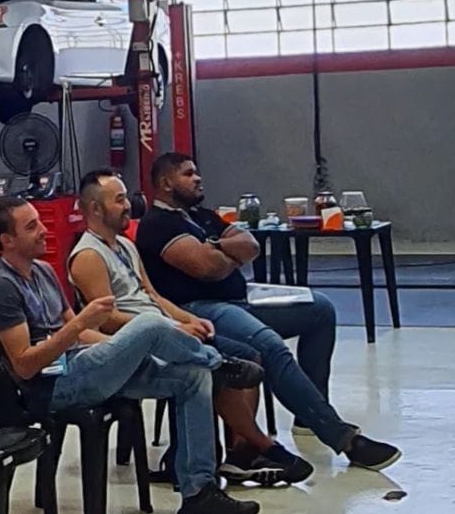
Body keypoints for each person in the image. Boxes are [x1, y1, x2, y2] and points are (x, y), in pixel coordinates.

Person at [0, 194, 263, 514]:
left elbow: (82, 334)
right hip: (51, 386)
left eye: (40, 221)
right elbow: (26, 365)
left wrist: (122, 349)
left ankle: (199, 494)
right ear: (8, 241)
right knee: (150, 324)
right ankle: (219, 364)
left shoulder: (42, 271)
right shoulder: (1, 288)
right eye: (31, 227)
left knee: (192, 375)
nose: (43, 230)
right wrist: (82, 325)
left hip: (84, 363)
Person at [138, 153, 400, 471]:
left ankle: (308, 412)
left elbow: (251, 245)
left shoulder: (200, 216)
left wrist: (217, 248)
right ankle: (344, 439)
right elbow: (206, 268)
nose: (198, 178)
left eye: (196, 172)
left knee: (320, 310)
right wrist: (227, 253)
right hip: (200, 310)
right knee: (269, 345)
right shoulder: (158, 225)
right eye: (188, 174)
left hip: (240, 300)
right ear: (166, 183)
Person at [69, 168, 313, 486]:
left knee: (247, 355)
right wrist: (168, 328)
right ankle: (262, 445)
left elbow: (153, 296)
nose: (128, 205)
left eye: (126, 198)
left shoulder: (125, 246)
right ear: (95, 209)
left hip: (165, 329)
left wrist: (186, 320)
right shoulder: (88, 256)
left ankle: (241, 452)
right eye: (119, 200)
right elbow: (106, 318)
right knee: (216, 368)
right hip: (138, 342)